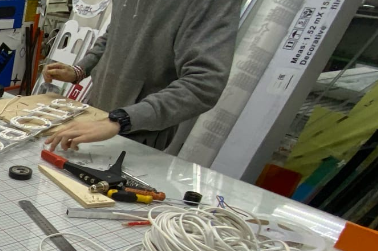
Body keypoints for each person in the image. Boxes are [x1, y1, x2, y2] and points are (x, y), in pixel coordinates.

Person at [43, 0, 238, 152]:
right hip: (96, 116)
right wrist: (81, 69)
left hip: (140, 132)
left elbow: (205, 83)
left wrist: (122, 120)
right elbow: (114, 32)